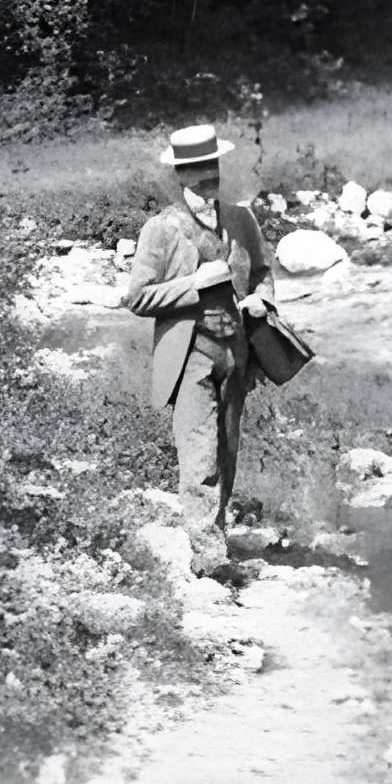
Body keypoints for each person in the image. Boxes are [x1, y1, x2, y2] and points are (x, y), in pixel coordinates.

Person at [119, 122, 280, 572]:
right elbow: (136, 297)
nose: (207, 174)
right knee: (198, 452)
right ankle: (207, 559)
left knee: (227, 448)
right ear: (180, 174)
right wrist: (194, 283)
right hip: (189, 354)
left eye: (211, 164)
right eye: (195, 167)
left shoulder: (240, 218)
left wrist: (260, 300)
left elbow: (264, 271)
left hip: (237, 351)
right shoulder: (161, 229)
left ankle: (216, 538)